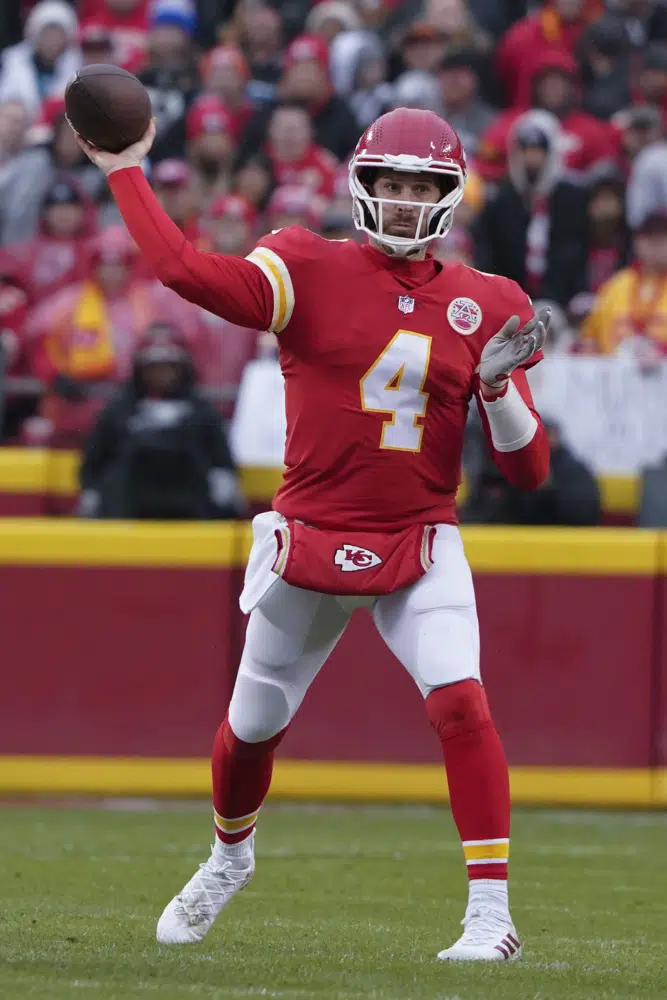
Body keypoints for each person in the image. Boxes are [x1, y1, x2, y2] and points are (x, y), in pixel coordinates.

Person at [77, 106, 551, 962]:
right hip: (311, 531)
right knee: (251, 725)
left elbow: (529, 475)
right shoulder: (306, 263)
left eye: (422, 186)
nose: (405, 202)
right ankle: (230, 855)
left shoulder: (490, 303)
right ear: (363, 186)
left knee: (459, 700)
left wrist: (495, 393)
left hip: (419, 534)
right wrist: (125, 168)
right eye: (391, 184)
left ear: (449, 195)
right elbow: (185, 271)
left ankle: (490, 915)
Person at [78, 321, 244, 520]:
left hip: (190, 512)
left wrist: (223, 482)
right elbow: (94, 460)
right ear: (140, 369)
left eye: (169, 367)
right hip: (127, 511)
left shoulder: (202, 412)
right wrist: (92, 491)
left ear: (182, 368)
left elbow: (221, 458)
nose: (161, 375)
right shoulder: (118, 412)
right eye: (154, 368)